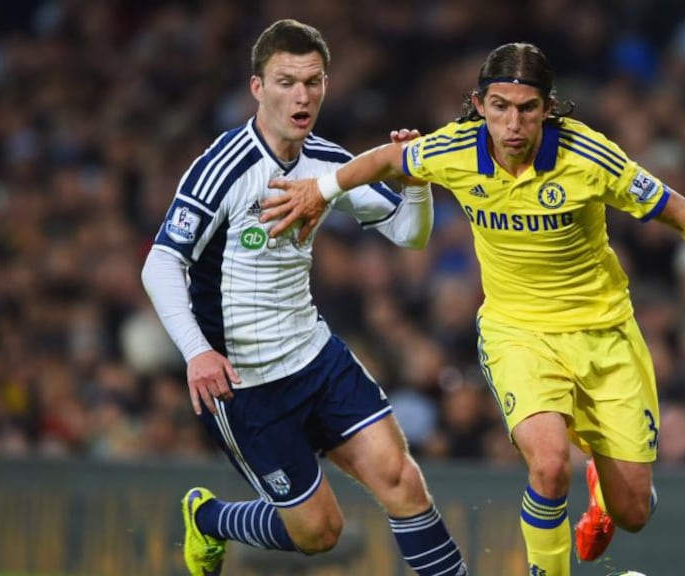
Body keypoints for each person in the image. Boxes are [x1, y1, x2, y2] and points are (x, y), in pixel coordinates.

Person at [260, 42, 685, 575]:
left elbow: (684, 214)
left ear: (548, 108)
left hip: (606, 334)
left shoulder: (588, 157)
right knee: (550, 465)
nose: (513, 123)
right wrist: (319, 190)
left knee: (634, 513)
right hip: (519, 334)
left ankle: (604, 486)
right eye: (500, 106)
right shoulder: (456, 149)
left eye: (527, 108)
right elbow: (390, 158)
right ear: (479, 104)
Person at [140, 19, 467, 576]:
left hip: (316, 358)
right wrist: (197, 352)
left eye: (313, 81)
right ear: (257, 88)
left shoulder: (327, 161)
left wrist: (417, 184)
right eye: (287, 81)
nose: (302, 95)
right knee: (319, 533)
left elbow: (408, 235)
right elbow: (161, 262)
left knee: (403, 482)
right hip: (245, 383)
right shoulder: (224, 169)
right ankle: (210, 519)